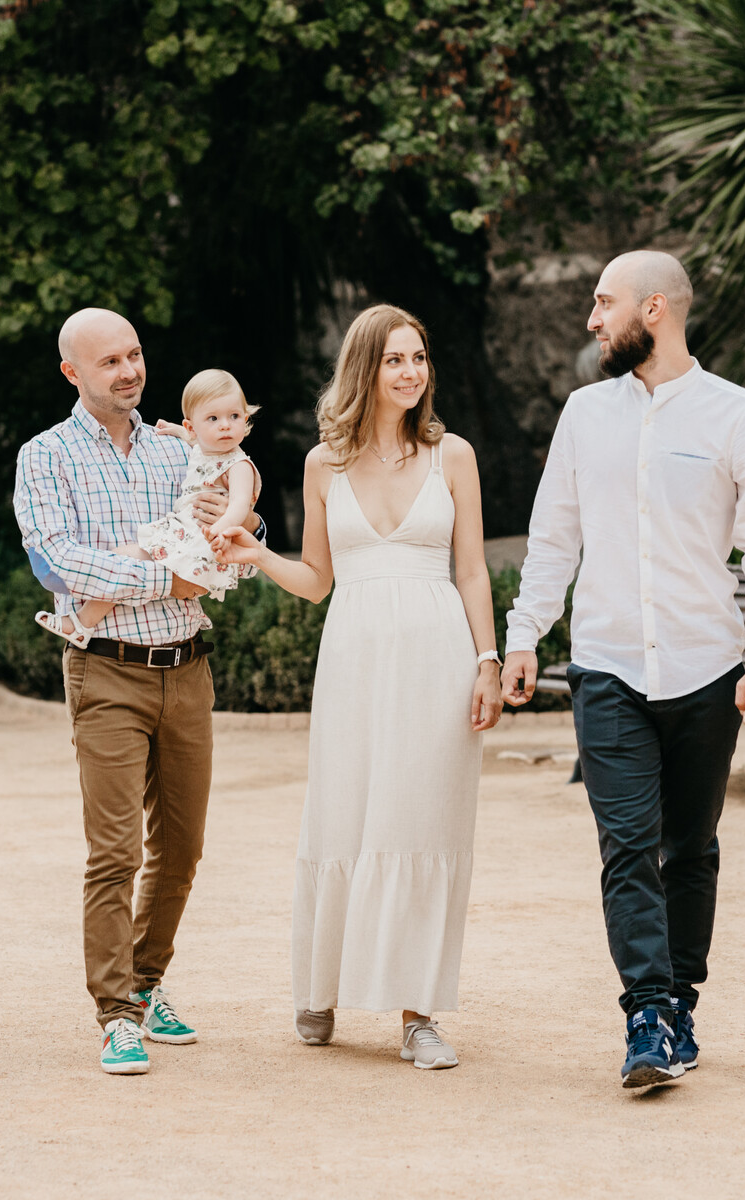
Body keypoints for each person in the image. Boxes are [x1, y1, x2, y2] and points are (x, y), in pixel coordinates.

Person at [501, 251, 745, 1089]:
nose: (593, 319)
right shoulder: (584, 415)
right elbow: (553, 537)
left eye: (604, 303)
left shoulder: (738, 416)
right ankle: (646, 1015)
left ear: (654, 307)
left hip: (707, 667)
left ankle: (682, 1002)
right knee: (628, 847)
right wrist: (525, 635)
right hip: (605, 666)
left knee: (690, 848)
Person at [215, 303, 503, 1070]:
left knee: (423, 821)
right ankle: (321, 985)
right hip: (352, 658)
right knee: (341, 812)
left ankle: (418, 1013)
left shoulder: (455, 457)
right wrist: (253, 555)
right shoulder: (322, 464)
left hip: (437, 655)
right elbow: (316, 580)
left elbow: (471, 570)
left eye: (419, 358)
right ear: (365, 369)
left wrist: (488, 660)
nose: (411, 373)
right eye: (395, 360)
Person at [14, 308, 264, 1075]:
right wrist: (167, 578)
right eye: (110, 362)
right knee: (115, 851)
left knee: (182, 850)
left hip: (188, 666)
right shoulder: (44, 457)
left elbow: (225, 521)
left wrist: (221, 542)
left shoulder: (173, 449)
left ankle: (149, 982)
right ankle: (115, 1013)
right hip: (107, 671)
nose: (128, 371)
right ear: (73, 374)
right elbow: (56, 565)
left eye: (135, 356)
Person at [35, 368, 261, 646]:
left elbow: (239, 506)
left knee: (127, 558)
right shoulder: (201, 448)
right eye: (213, 419)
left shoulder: (239, 465)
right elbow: (196, 441)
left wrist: (223, 529)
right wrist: (178, 431)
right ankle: (82, 623)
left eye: (234, 416)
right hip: (182, 535)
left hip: (201, 540)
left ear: (246, 419)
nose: (225, 425)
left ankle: (81, 622)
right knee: (121, 558)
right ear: (193, 426)